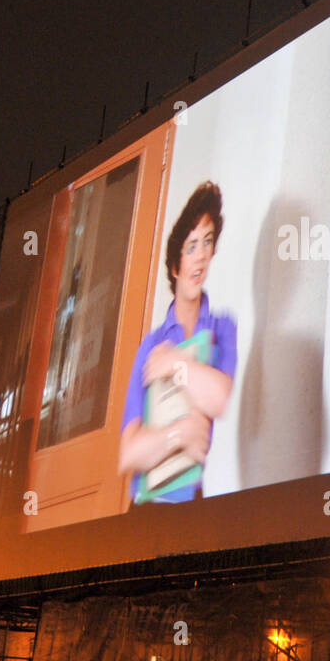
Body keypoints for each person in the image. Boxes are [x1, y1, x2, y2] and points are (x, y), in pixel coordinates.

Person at [119, 182, 237, 503]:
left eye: (207, 243)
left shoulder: (222, 329)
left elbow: (219, 399)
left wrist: (174, 364)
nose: (199, 258)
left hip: (191, 503)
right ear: (175, 266)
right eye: (190, 247)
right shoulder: (151, 344)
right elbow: (129, 453)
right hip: (146, 508)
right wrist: (179, 434)